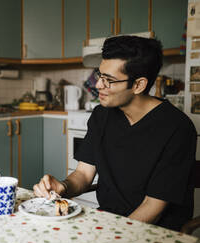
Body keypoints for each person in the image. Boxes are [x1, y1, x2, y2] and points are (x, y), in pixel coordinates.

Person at [34, 35, 197, 231]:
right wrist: (63, 186)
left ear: (138, 85)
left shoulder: (177, 128)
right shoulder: (102, 115)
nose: (98, 85)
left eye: (108, 80)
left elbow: (153, 207)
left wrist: (113, 237)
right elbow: (84, 174)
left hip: (157, 230)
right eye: (99, 75)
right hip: (109, 221)